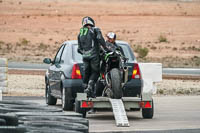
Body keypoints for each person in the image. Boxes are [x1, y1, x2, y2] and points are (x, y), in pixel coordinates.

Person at [77, 16, 109, 98]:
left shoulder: (80, 33)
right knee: (95, 72)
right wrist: (106, 48)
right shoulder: (95, 29)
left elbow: (79, 49)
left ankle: (86, 90)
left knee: (87, 73)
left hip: (85, 56)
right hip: (94, 55)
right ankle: (90, 87)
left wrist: (84, 53)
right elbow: (100, 38)